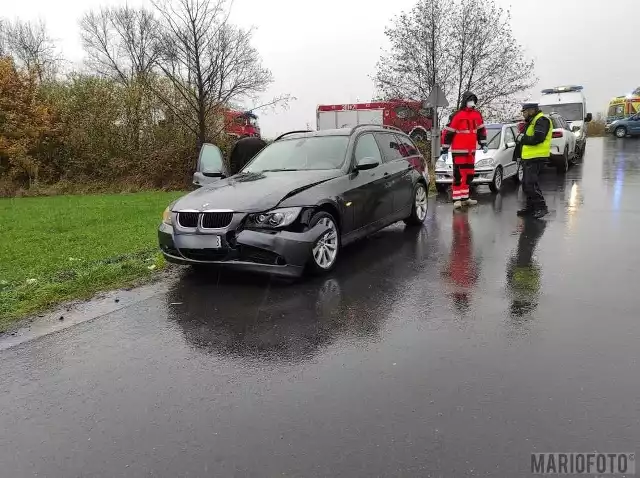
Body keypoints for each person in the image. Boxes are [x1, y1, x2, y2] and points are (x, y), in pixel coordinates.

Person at [441, 91, 488, 209]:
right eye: (470, 100)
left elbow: (481, 130)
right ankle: (456, 198)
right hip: (459, 150)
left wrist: (483, 143)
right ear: (465, 101)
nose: (472, 103)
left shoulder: (477, 115)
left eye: (473, 100)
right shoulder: (457, 115)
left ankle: (465, 197)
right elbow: (448, 132)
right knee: (458, 174)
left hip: (471, 151)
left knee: (469, 174)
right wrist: (445, 148)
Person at [516, 102, 551, 219]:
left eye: (524, 111)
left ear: (531, 110)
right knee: (526, 184)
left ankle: (541, 207)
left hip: (537, 157)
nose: (523, 114)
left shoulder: (541, 120)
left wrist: (523, 139)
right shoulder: (532, 120)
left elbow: (538, 138)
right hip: (529, 157)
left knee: (531, 184)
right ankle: (531, 208)